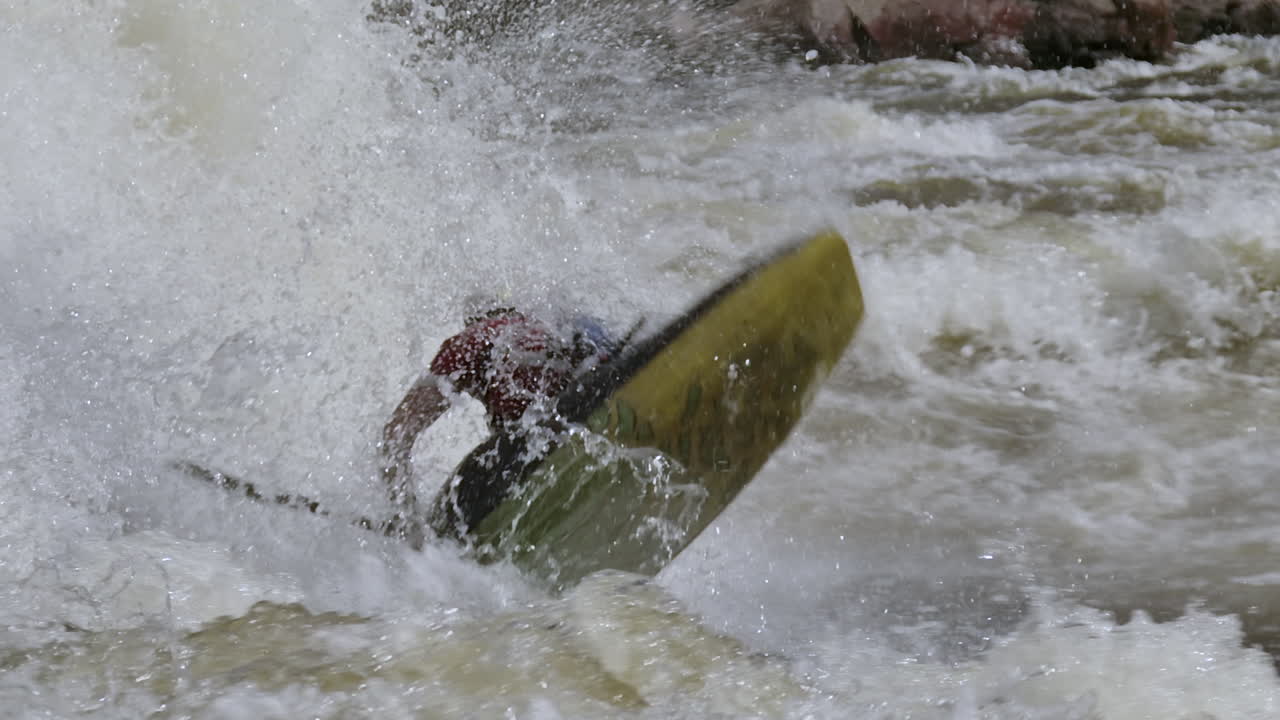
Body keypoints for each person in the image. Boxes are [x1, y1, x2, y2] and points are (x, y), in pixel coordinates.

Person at [378, 303, 620, 548]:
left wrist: (407, 518)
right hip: (596, 404)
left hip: (538, 446)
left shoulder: (470, 344)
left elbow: (396, 434)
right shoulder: (560, 321)